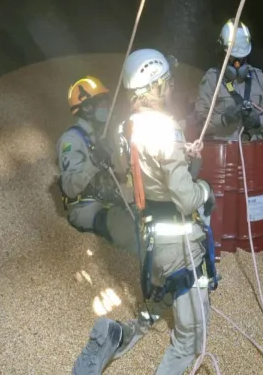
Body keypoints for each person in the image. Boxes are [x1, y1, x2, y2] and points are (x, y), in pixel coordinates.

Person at [72, 49, 218, 375]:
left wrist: (181, 153)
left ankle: (120, 335)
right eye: (166, 82)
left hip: (151, 239)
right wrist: (206, 191)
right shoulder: (166, 130)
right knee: (192, 337)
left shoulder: (127, 128)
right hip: (179, 243)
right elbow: (185, 198)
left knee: (166, 291)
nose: (170, 88)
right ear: (153, 88)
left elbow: (143, 166)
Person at [57, 76, 137, 255]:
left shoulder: (103, 136)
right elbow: (69, 186)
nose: (107, 106)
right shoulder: (71, 140)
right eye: (102, 102)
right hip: (86, 208)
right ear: (87, 107)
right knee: (129, 230)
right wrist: (93, 161)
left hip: (110, 202)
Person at [194, 19, 263, 141]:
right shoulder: (211, 79)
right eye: (233, 58)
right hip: (225, 149)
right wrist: (223, 119)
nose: (237, 64)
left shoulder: (258, 77)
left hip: (254, 149)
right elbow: (200, 123)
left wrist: (258, 121)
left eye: (241, 59)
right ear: (222, 53)